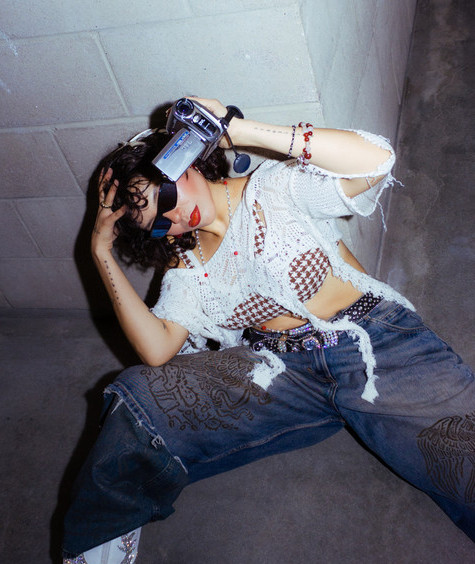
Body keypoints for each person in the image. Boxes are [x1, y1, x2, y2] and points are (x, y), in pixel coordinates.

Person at [63, 97, 474, 563]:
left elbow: (377, 159)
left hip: (374, 347)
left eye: (168, 198)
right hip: (279, 372)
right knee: (136, 400)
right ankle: (103, 544)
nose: (173, 218)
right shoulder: (188, 266)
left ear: (185, 159)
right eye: (157, 223)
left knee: (462, 456)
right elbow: (156, 350)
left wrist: (238, 131)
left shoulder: (273, 188)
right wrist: (100, 252)